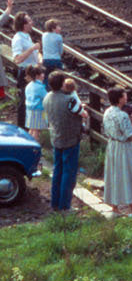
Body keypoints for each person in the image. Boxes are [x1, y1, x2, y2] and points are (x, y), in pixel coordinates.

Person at [43, 71, 86, 213]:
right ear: (62, 84)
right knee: (69, 172)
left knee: (57, 170)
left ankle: (55, 203)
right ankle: (65, 206)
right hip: (71, 139)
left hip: (56, 137)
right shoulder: (70, 100)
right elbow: (82, 114)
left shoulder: (47, 97)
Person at [101, 87, 132, 215]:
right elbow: (130, 134)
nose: (126, 98)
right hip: (124, 147)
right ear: (120, 99)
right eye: (124, 96)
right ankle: (131, 208)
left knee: (113, 174)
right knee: (128, 175)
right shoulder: (122, 115)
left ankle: (114, 207)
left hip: (112, 146)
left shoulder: (107, 112)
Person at [23, 66, 47, 142]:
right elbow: (46, 97)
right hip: (38, 111)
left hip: (30, 110)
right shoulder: (40, 87)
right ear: (37, 76)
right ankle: (34, 147)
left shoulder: (29, 85)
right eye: (42, 74)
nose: (43, 75)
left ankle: (28, 144)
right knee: (36, 131)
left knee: (32, 129)